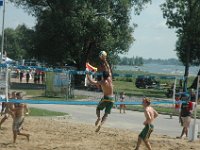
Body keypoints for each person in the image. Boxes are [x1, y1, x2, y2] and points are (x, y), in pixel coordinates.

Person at [86, 52, 114, 132]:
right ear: (108, 75)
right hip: (112, 99)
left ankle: (98, 117)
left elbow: (91, 81)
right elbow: (108, 67)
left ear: (102, 76)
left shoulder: (102, 82)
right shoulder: (110, 79)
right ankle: (101, 125)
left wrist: (87, 73)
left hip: (106, 98)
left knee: (98, 108)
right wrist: (104, 60)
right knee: (106, 114)